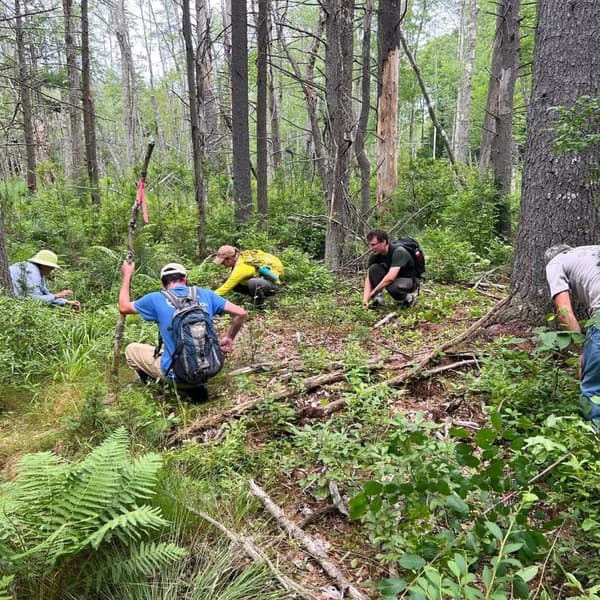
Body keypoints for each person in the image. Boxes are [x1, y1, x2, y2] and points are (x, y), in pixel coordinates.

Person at [118, 261, 246, 389]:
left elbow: (123, 307)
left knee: (131, 350)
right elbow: (240, 313)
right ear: (185, 278)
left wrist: (127, 274)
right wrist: (229, 338)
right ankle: (196, 384)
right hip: (211, 369)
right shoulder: (206, 294)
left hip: (176, 375)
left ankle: (160, 387)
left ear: (163, 283)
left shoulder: (154, 299)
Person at [545, 244, 600, 427]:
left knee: (594, 390)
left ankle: (594, 442)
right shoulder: (591, 251)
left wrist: (581, 351)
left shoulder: (555, 262)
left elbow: (564, 311)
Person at [363, 229, 418, 309]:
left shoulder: (399, 252)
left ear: (383, 242)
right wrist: (365, 300)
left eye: (374, 245)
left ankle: (408, 298)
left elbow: (390, 278)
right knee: (373, 269)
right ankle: (378, 300)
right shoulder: (375, 255)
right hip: (394, 278)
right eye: (370, 245)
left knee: (391, 286)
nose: (371, 248)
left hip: (408, 280)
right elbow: (369, 278)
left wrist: (374, 292)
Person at [213, 245, 284, 307]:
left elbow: (225, 288)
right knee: (232, 280)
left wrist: (208, 296)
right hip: (266, 281)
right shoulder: (242, 256)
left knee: (252, 282)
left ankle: (259, 305)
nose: (222, 265)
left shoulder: (241, 267)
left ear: (229, 259)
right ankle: (255, 296)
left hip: (275, 285)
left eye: (222, 262)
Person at [9, 249, 79, 309]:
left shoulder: (35, 270)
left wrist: (66, 302)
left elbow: (44, 293)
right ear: (44, 265)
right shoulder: (32, 273)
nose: (52, 270)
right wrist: (57, 295)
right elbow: (33, 299)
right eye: (51, 268)